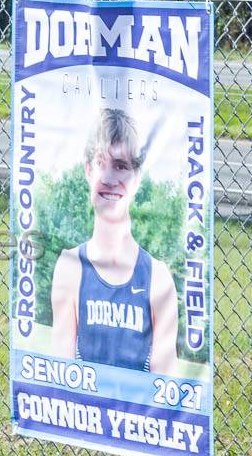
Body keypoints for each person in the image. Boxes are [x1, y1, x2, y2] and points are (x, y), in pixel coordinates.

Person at [50, 108, 178, 374]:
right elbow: (60, 379)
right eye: (100, 163)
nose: (108, 179)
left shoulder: (158, 277)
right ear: (88, 170)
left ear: (137, 178)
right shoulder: (70, 267)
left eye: (120, 166)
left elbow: (165, 391)